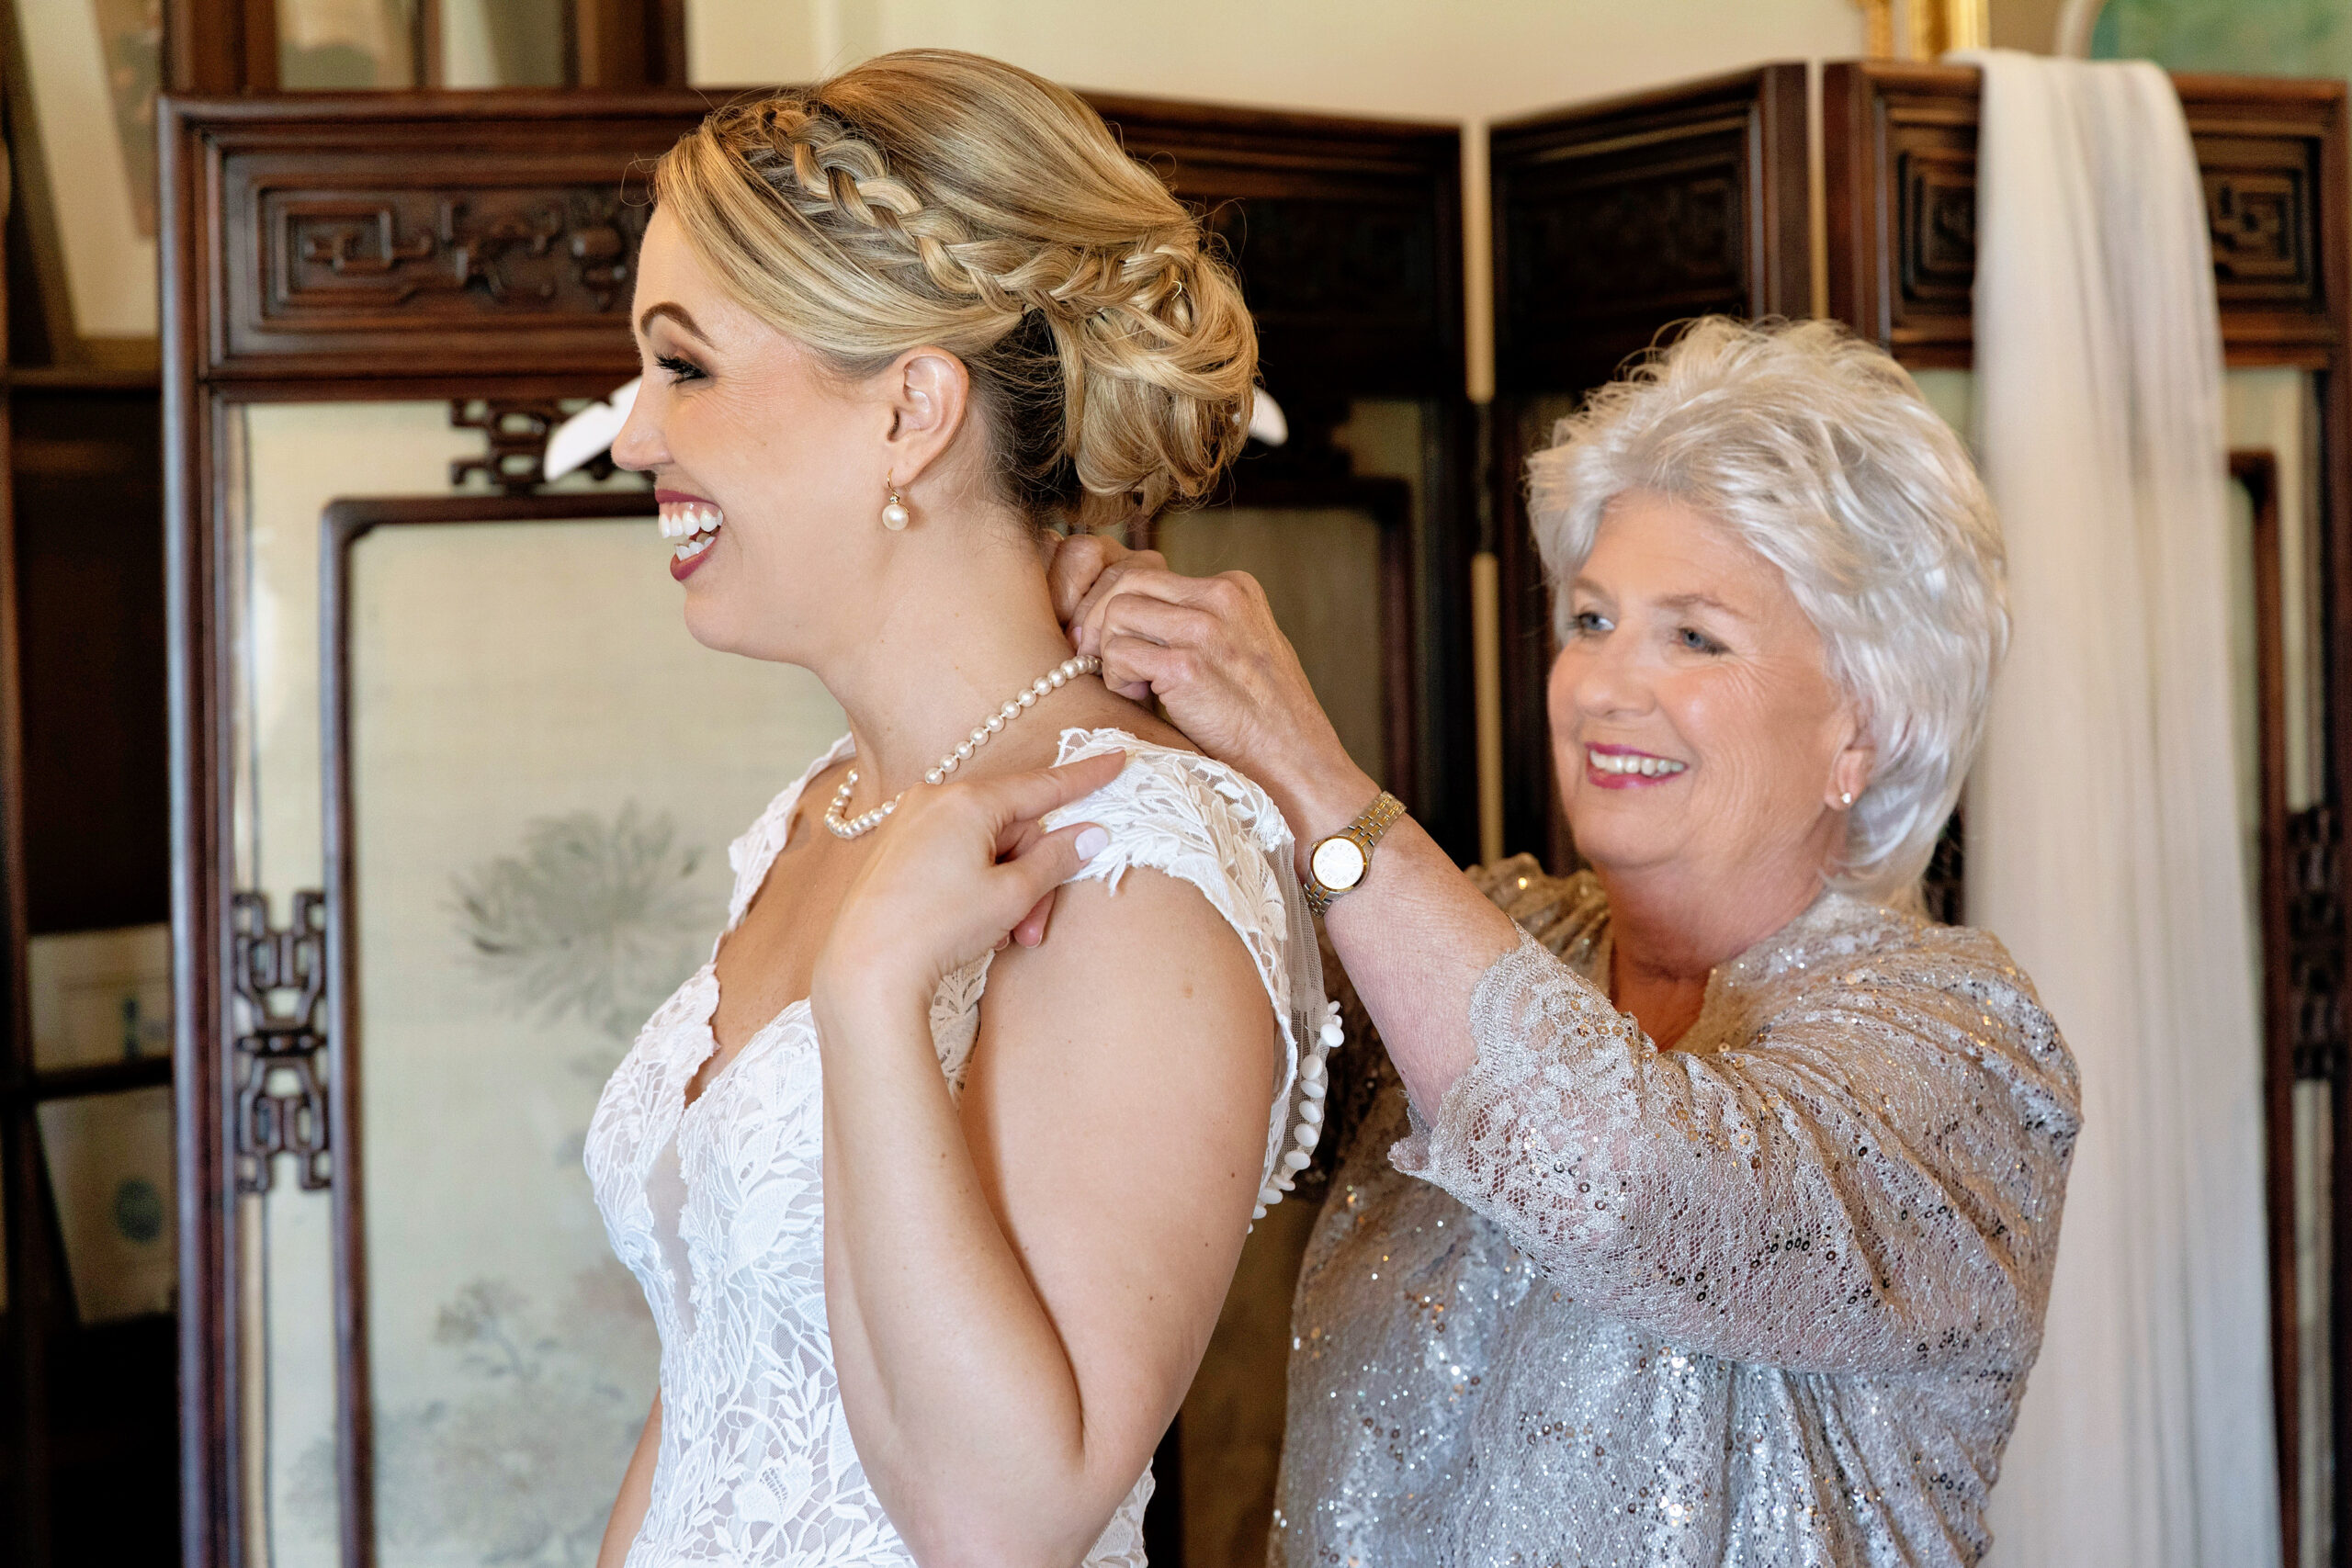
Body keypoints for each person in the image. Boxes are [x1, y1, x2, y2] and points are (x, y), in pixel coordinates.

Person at [1051, 317, 2081, 1565]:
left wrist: (1312, 773)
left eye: (1693, 636)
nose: (1601, 687)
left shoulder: (1964, 1044)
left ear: (1865, 723)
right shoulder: (1503, 930)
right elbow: (1180, 996)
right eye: (1590, 620)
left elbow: (1639, 1184)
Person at [583, 51, 1334, 1568]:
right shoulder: (817, 814)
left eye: (687, 366)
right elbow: (710, 1402)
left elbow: (1003, 1521)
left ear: (910, 410)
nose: (632, 437)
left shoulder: (1134, 858)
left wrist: (873, 995)